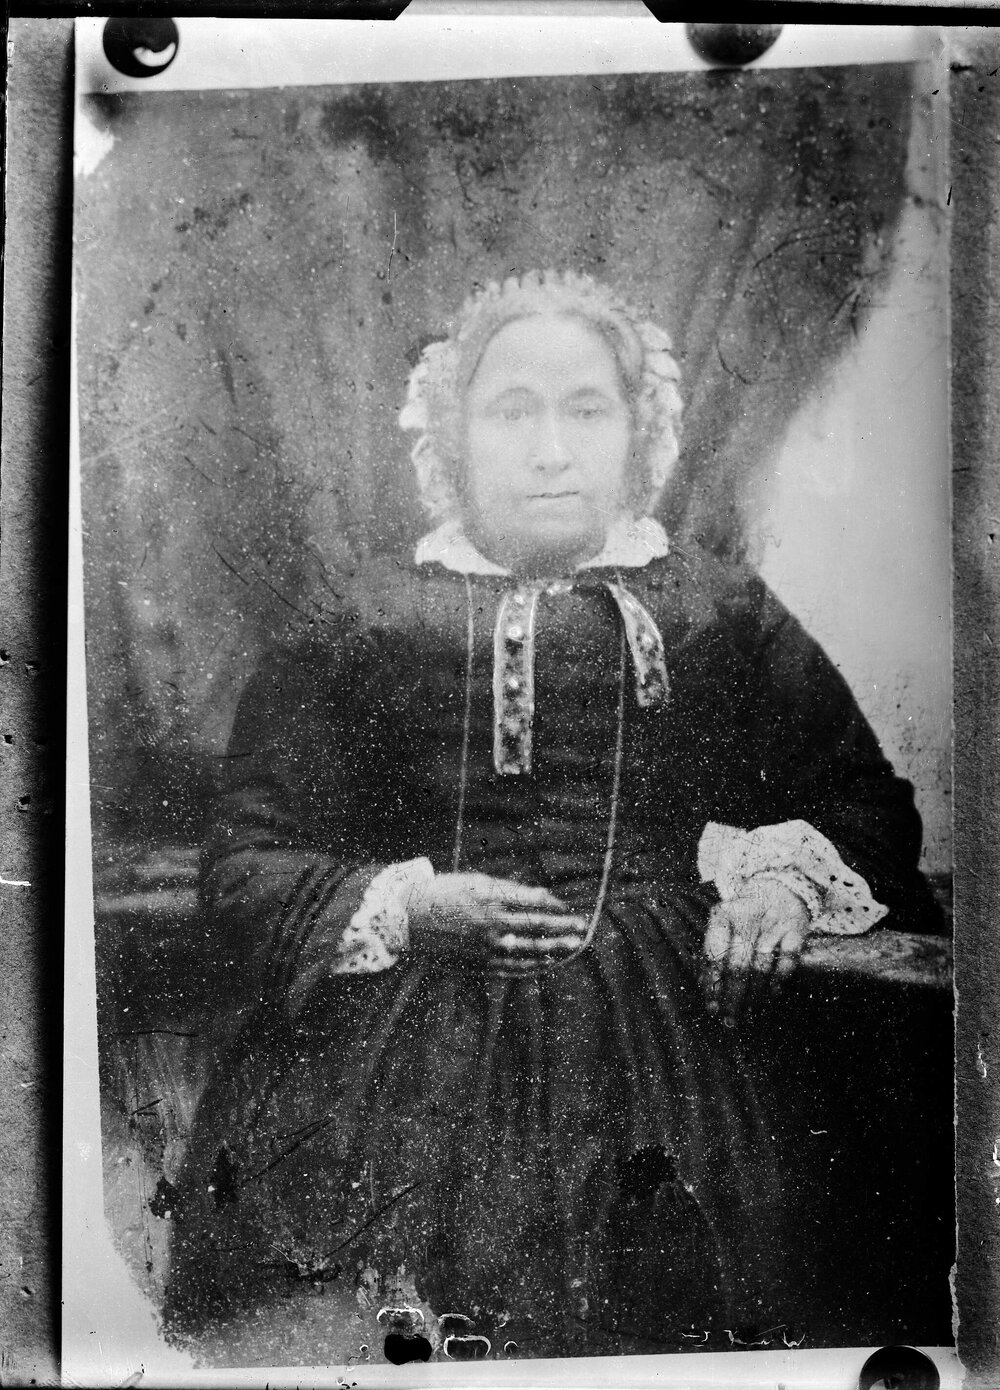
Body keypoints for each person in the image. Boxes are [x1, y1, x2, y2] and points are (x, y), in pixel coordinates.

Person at [164, 270, 941, 1363]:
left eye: (586, 411)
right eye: (510, 411)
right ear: (451, 434)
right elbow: (243, 859)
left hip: (671, 1042)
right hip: (398, 1058)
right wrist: (407, 903)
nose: (548, 451)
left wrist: (776, 887)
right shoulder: (363, 623)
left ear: (640, 435)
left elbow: (865, 804)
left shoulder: (716, 608)